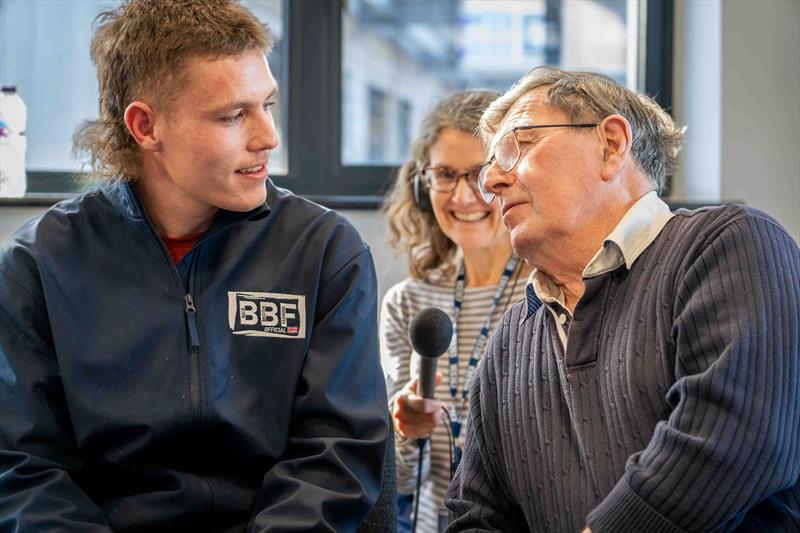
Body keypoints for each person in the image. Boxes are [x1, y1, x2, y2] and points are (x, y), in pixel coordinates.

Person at [0, 1, 390, 531]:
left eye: (267, 105)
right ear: (145, 126)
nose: (267, 137)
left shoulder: (323, 253)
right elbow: (24, 468)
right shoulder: (38, 265)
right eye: (233, 115)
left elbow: (334, 458)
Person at [445, 66, 800, 532]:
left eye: (518, 146)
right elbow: (476, 515)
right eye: (492, 165)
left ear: (610, 144)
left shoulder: (729, 245)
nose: (490, 182)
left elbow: (737, 441)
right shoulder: (509, 341)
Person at [381, 90, 534, 533]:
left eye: (480, 174)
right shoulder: (407, 304)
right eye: (446, 175)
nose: (465, 197)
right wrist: (407, 431)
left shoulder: (553, 289)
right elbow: (400, 479)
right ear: (422, 183)